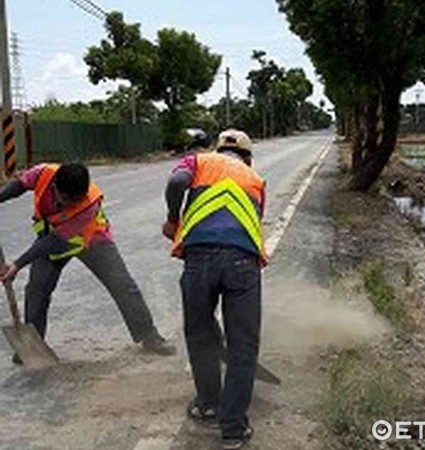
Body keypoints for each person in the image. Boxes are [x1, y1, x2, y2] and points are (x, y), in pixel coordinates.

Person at [0, 162, 176, 363]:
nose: (72, 204)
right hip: (51, 237)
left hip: (92, 239)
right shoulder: (44, 173)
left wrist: (17, 264)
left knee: (122, 284)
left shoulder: (88, 205)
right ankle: (34, 346)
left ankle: (149, 337)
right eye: (67, 200)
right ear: (55, 187)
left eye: (77, 199)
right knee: (36, 291)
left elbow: (55, 240)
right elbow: (21, 185)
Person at [162, 129, 266, 450]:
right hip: (242, 264)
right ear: (247, 157)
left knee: (201, 334)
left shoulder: (198, 161)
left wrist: (172, 218)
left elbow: (177, 183)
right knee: (242, 345)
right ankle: (233, 429)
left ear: (217, 149)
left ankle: (208, 405)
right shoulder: (256, 180)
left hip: (199, 258)